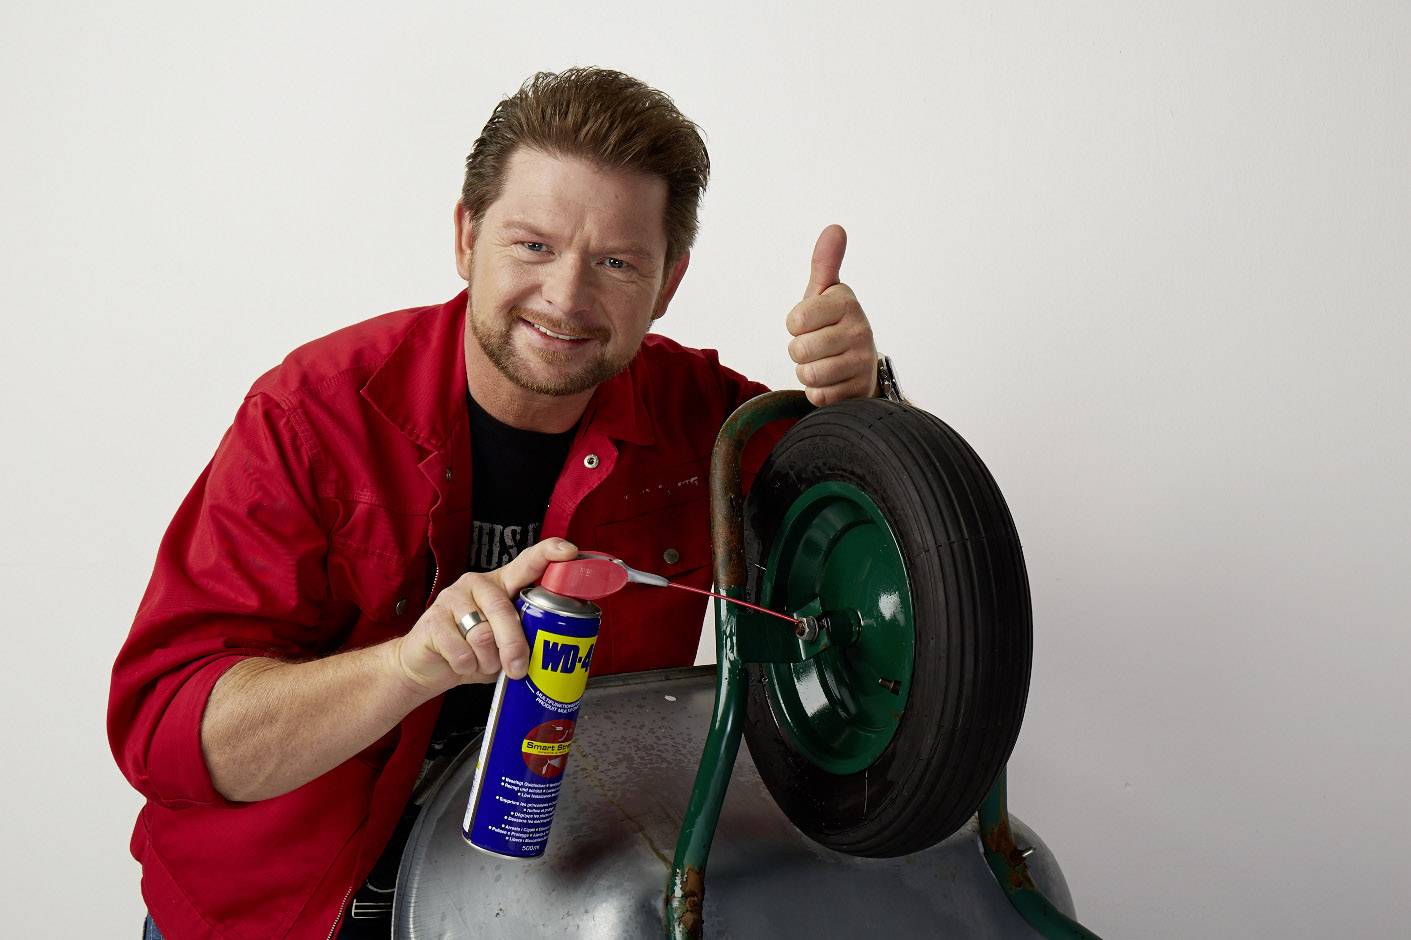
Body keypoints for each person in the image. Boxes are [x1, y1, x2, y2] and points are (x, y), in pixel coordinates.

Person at [109, 67, 885, 939]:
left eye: (617, 262)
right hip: (273, 920)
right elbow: (172, 740)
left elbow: (889, 530)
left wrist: (860, 397)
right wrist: (410, 665)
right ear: (465, 236)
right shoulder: (309, 416)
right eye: (533, 246)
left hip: (534, 917)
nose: (565, 297)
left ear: (666, 285)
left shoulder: (706, 422)